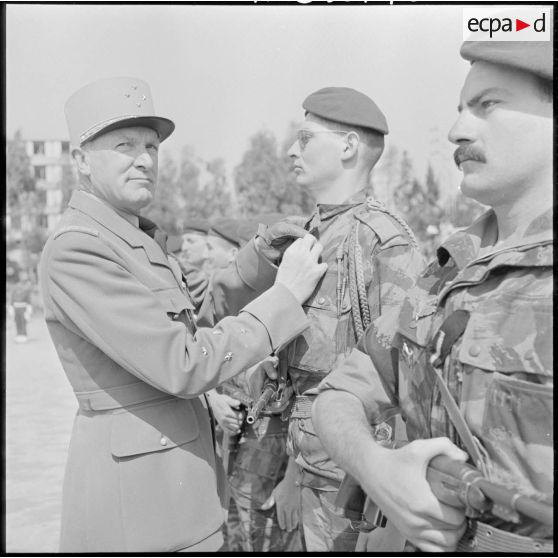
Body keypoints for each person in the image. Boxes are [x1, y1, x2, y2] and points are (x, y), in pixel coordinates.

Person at [38, 76, 327, 553]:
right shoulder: (79, 250)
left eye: (151, 146)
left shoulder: (136, 239)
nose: (144, 160)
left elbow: (199, 314)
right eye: (125, 145)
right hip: (137, 513)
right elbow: (184, 362)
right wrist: (285, 297)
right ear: (81, 160)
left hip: (178, 495)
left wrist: (260, 259)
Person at [313, 39, 553, 553]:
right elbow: (338, 394)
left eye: (488, 104)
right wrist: (377, 469)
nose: (456, 130)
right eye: (461, 108)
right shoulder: (448, 269)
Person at [261, 87, 424, 552]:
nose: (291, 151)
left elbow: (404, 373)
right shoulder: (310, 234)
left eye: (305, 138)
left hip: (357, 485)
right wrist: (292, 472)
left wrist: (388, 498)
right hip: (312, 467)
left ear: (349, 147)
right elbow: (302, 380)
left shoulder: (383, 240)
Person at [9, 272, 33, 342]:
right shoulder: (15, 287)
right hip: (16, 307)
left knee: (23, 321)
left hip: (23, 307)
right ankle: (19, 335)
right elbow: (12, 297)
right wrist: (11, 306)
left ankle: (23, 335)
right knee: (17, 321)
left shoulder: (27, 287)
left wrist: (29, 308)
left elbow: (28, 299)